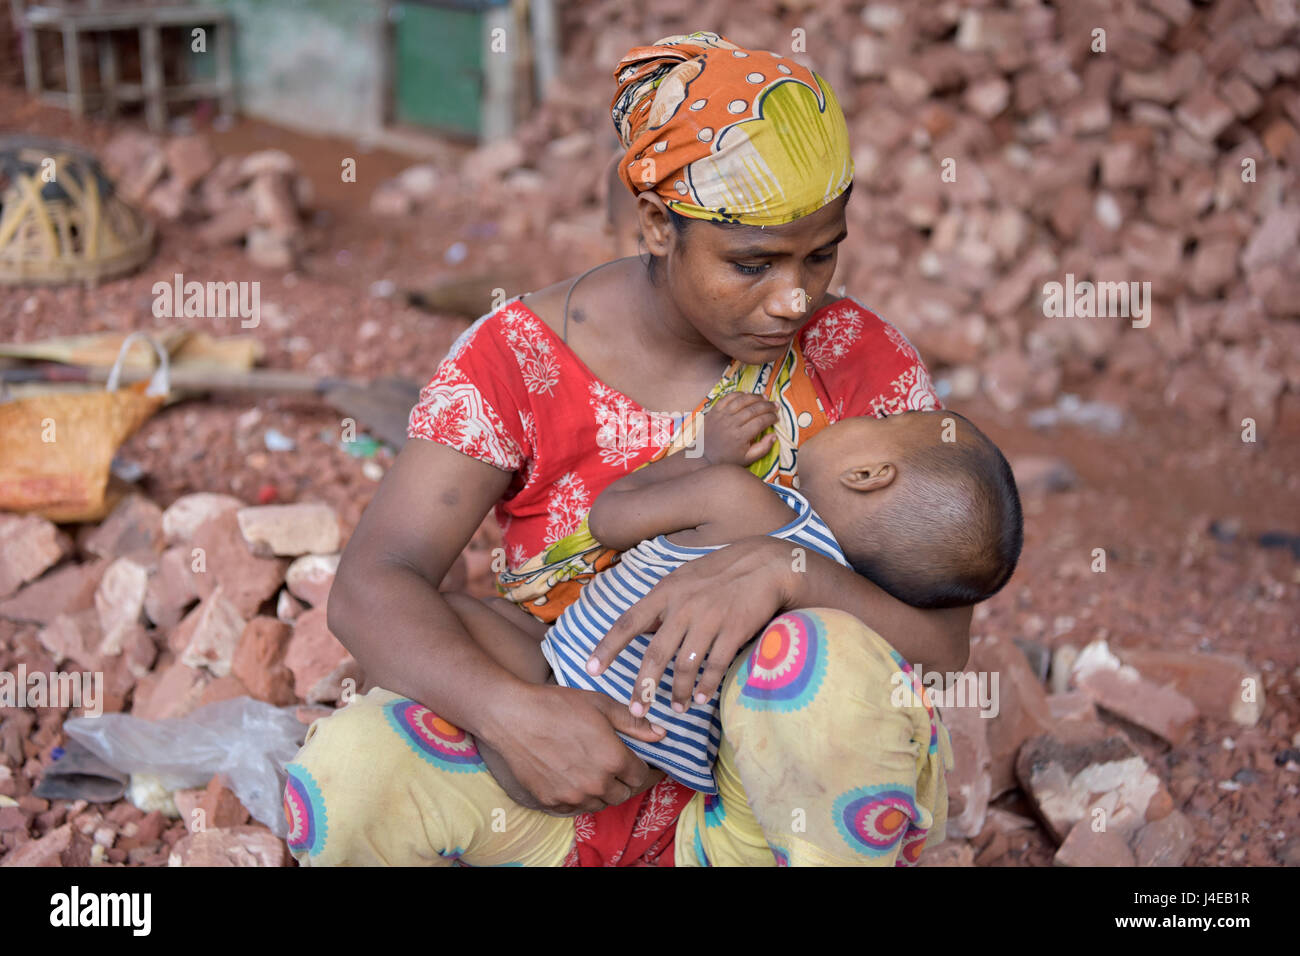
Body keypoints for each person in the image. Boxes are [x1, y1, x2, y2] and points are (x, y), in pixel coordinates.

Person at [284, 30, 975, 867]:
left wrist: (791, 575)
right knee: (350, 780)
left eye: (820, 255)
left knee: (819, 667)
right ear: (655, 225)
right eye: (752, 263)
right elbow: (370, 585)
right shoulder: (518, 360)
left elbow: (941, 645)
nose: (795, 297)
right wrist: (510, 713)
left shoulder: (859, 361)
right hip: (556, 770)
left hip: (765, 807)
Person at [432, 397, 1021, 801]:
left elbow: (609, 518)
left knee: (456, 614)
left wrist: (703, 459)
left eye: (885, 415)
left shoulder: (735, 498)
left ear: (868, 474)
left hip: (563, 692)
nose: (866, 412)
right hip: (662, 777)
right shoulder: (850, 608)